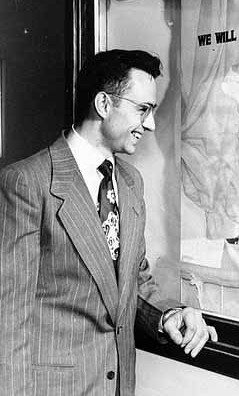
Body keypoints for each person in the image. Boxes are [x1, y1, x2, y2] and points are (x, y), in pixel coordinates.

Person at [0, 50, 218, 396]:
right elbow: (7, 322)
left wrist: (169, 314)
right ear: (103, 104)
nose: (150, 125)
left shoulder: (131, 184)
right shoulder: (27, 183)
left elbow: (132, 281)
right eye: (143, 109)